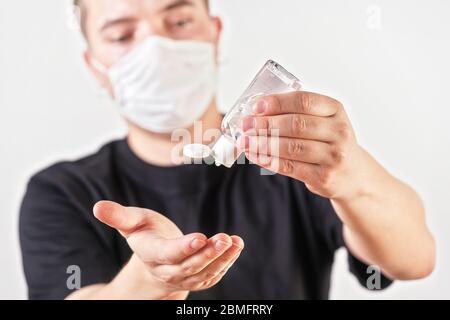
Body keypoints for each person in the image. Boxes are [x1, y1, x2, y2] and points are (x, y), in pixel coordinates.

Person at [19, 0, 435, 300]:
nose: (156, 48)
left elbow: (414, 259)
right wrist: (153, 281)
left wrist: (352, 177)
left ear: (215, 35)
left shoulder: (288, 161)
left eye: (179, 19)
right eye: (122, 34)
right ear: (95, 67)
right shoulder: (63, 191)